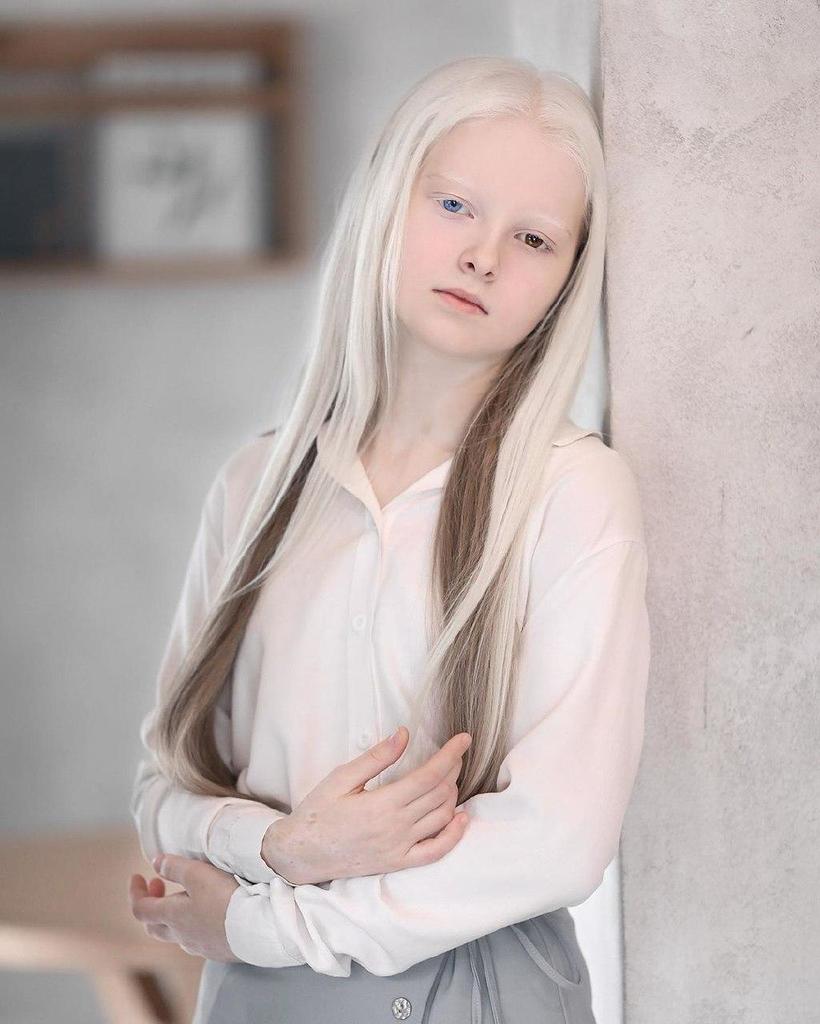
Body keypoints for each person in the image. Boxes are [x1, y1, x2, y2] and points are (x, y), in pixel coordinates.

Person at [128, 54, 650, 1024]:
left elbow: (558, 840)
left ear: (566, 280)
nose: (483, 256)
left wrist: (265, 923)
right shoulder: (255, 485)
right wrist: (283, 848)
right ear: (385, 198)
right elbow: (164, 783)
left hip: (472, 995)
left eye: (533, 237)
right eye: (453, 205)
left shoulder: (572, 493)